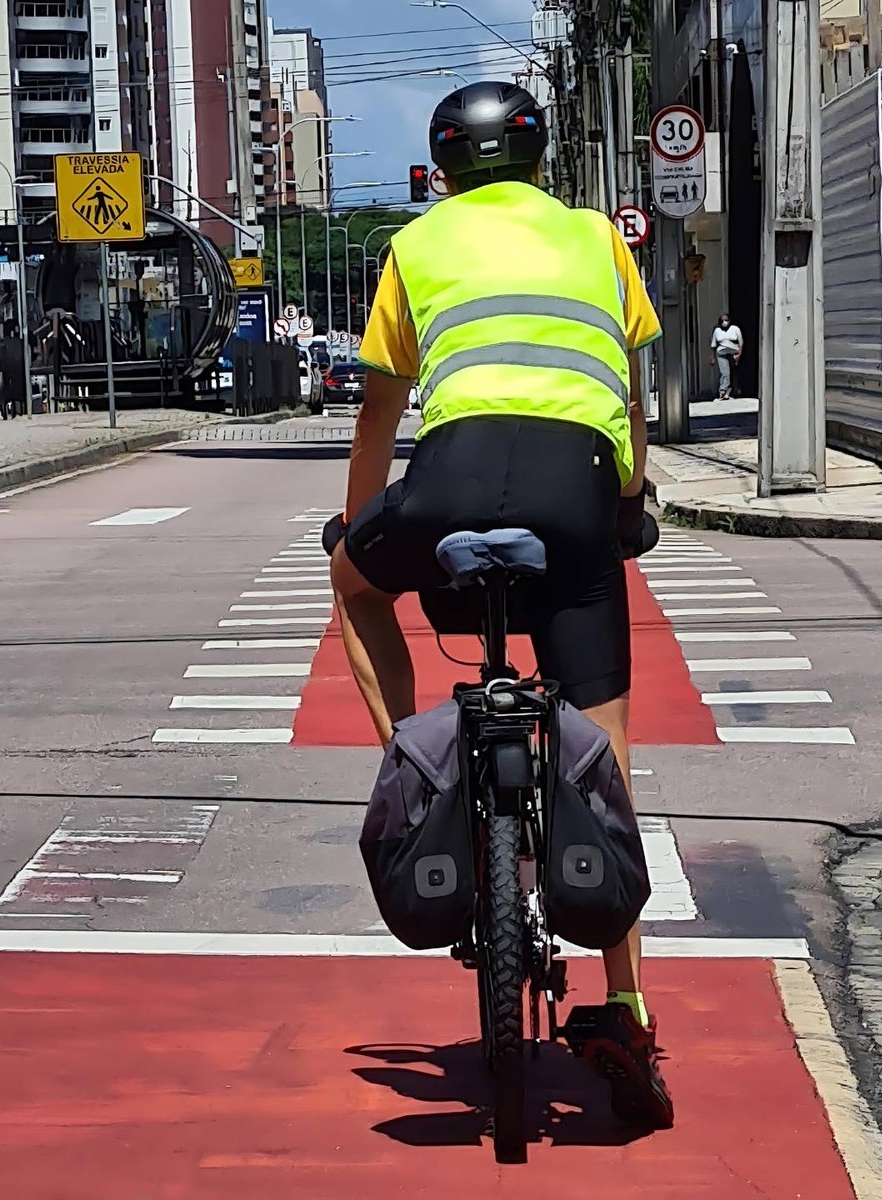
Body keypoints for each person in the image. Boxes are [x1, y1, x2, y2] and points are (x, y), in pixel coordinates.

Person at [327, 80, 673, 1127]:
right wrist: (624, 501)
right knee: (603, 760)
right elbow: (623, 392)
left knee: (354, 586)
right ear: (540, 158)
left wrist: (355, 530)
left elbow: (379, 410)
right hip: (576, 486)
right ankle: (624, 1007)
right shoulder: (595, 239)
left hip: (449, 482)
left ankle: (409, 763)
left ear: (440, 165)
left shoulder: (415, 246)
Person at [710, 313, 743, 400]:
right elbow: (713, 345)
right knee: (725, 372)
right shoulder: (717, 330)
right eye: (722, 321)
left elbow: (741, 343)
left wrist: (739, 354)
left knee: (734, 373)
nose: (724, 322)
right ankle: (723, 391)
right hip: (722, 353)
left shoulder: (735, 329)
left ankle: (733, 390)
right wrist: (713, 357)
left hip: (733, 353)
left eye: (726, 320)